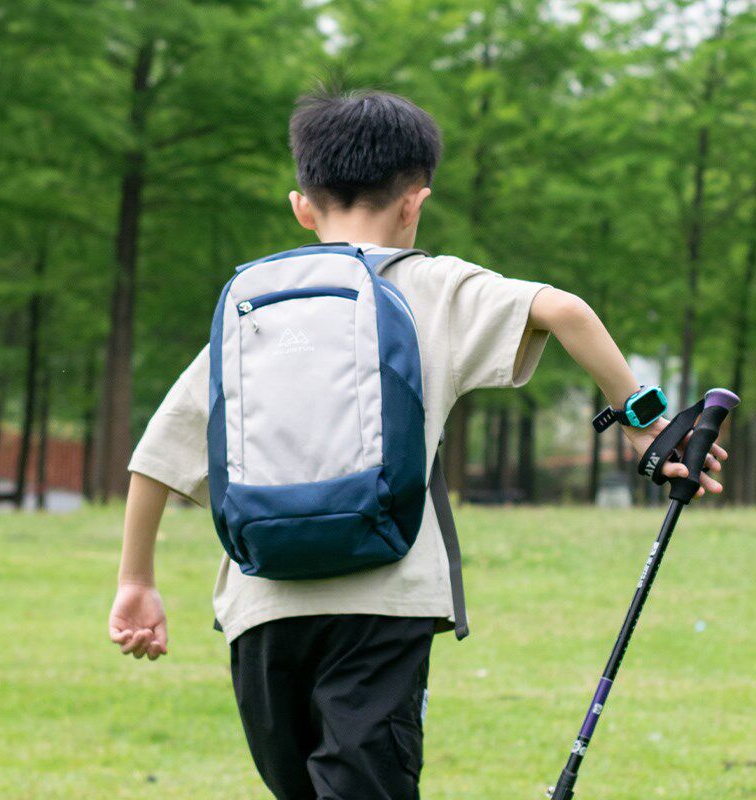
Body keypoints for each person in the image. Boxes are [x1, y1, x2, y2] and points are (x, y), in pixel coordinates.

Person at [109, 90, 727, 799]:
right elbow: (563, 309)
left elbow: (158, 453)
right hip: (384, 595)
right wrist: (643, 418)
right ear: (415, 202)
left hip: (263, 605)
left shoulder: (251, 305)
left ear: (302, 206)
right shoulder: (431, 284)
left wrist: (136, 582)